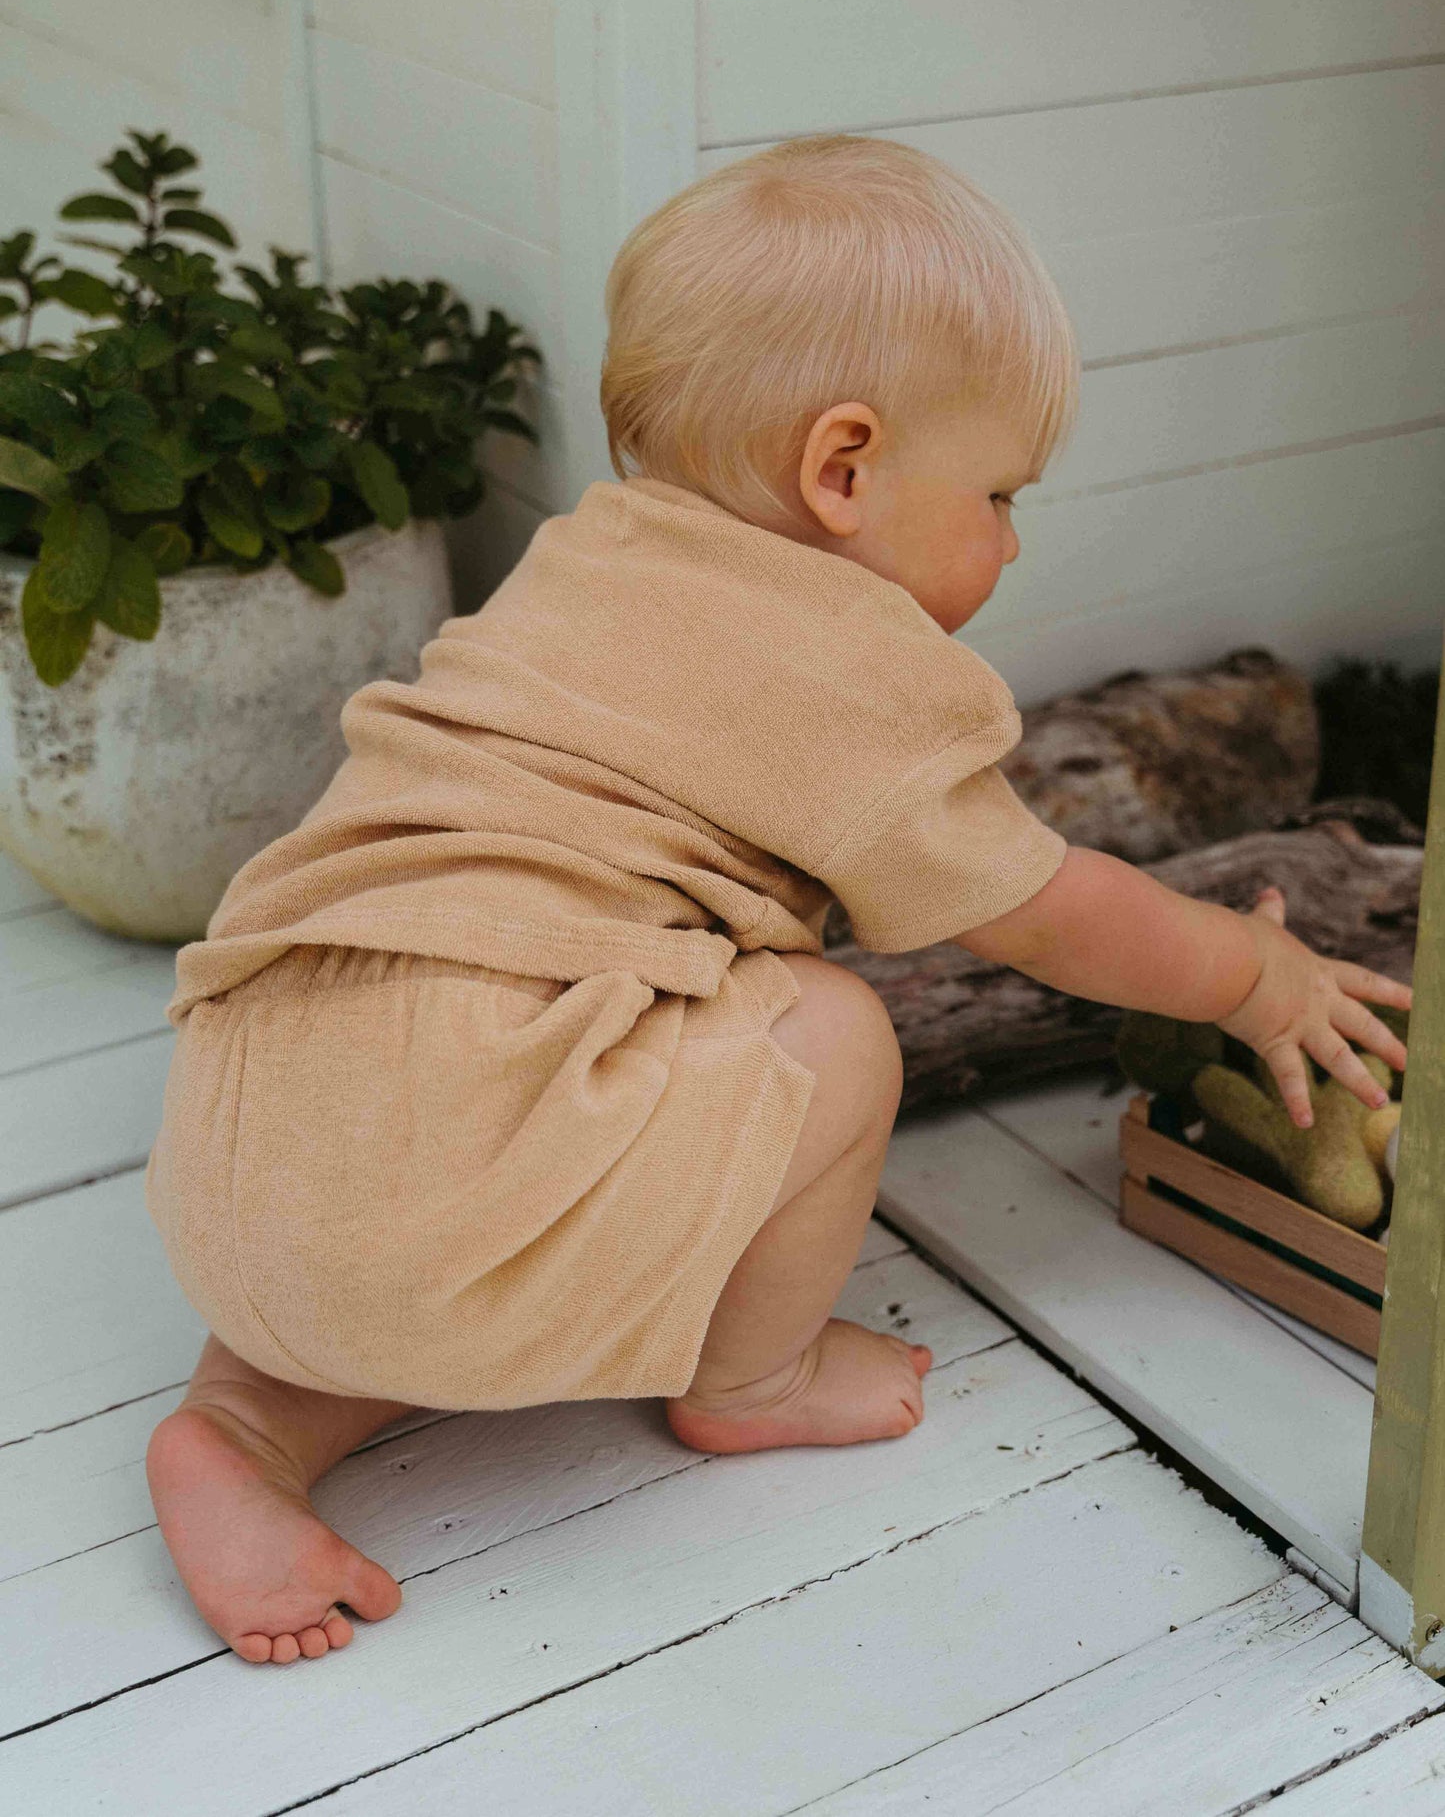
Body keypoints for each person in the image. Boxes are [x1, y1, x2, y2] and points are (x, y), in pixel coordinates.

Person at [142, 135, 1411, 1665]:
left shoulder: (588, 554)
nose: (1010, 536)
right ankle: (751, 1381)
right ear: (844, 468)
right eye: (1001, 491)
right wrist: (1247, 977)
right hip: (469, 1124)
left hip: (248, 1119)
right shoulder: (852, 665)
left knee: (391, 1232)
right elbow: (1040, 907)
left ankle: (238, 1421)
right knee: (831, 1031)